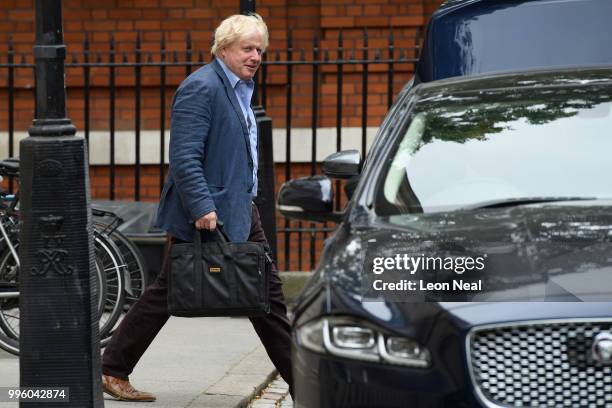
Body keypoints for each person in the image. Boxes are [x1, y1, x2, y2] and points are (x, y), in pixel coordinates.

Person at [101, 13, 293, 402]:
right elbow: (185, 156)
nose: (256, 56)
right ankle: (111, 368)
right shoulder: (201, 88)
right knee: (172, 293)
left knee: (264, 297)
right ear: (224, 48)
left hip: (239, 208)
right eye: (248, 48)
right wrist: (203, 206)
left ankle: (304, 381)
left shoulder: (239, 88)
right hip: (207, 215)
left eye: (260, 49)